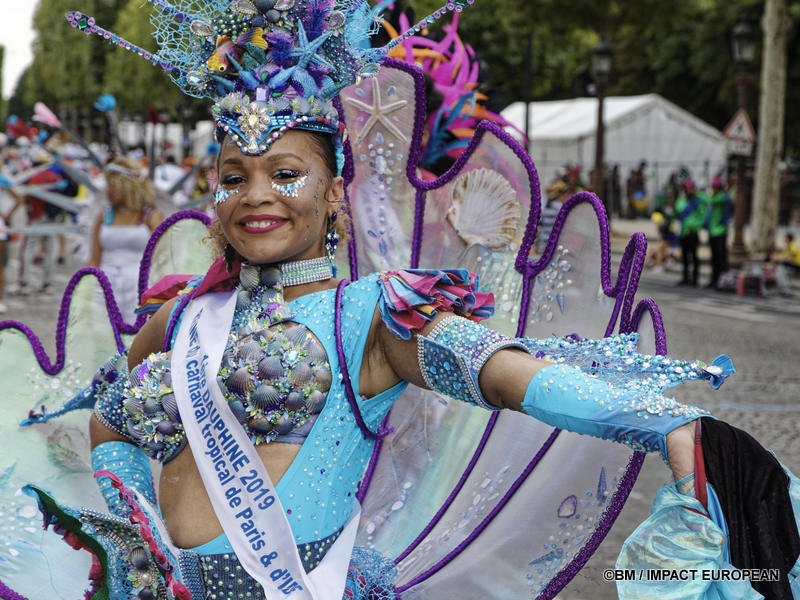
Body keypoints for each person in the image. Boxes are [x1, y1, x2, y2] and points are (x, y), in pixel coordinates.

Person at [1, 2, 798, 600]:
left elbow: (511, 374)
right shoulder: (182, 317)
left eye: (285, 172)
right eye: (233, 176)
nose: (255, 195)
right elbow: (108, 408)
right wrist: (131, 523)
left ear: (335, 194)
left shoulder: (372, 317)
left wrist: (669, 426)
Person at [88, 156, 164, 320]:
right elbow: (94, 259)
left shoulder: (151, 217)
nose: (108, 191)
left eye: (113, 186)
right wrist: (86, 289)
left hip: (140, 287)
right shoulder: (104, 215)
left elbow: (162, 258)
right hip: (104, 286)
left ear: (128, 186)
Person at [674, 178, 707, 286]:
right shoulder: (682, 201)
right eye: (687, 189)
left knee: (694, 256)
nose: (689, 191)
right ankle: (685, 278)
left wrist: (695, 227)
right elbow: (678, 209)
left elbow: (702, 216)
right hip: (684, 232)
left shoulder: (698, 201)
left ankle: (694, 279)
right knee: (684, 256)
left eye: (691, 188)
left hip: (693, 232)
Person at [705, 175, 733, 288]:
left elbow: (710, 200)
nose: (713, 189)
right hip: (712, 231)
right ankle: (714, 280)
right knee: (714, 258)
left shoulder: (722, 197)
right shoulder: (715, 197)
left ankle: (722, 281)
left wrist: (698, 193)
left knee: (721, 258)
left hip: (720, 231)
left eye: (715, 187)